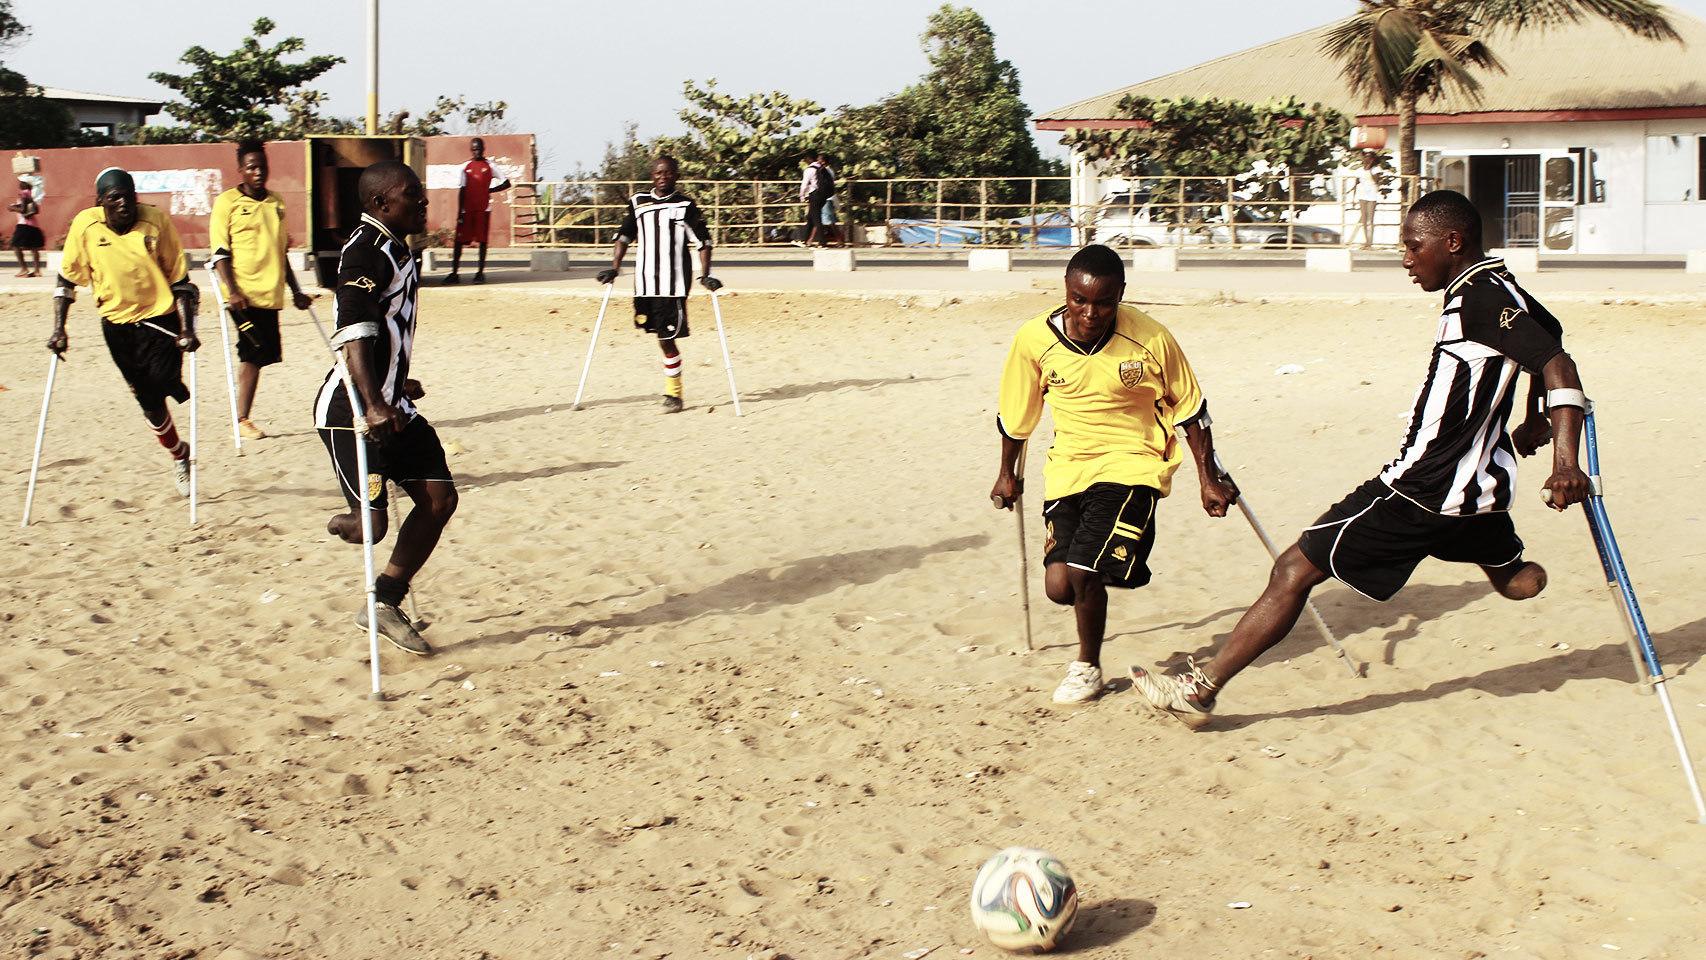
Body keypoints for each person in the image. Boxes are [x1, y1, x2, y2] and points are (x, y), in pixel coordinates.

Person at [1129, 189, 1592, 729]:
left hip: (1419, 487)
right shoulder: (1499, 285)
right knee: (1517, 580)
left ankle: (1201, 689)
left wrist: (1565, 462)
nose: (1405, 258)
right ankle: (1514, 572)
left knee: (1293, 569)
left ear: (1452, 241)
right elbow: (1549, 338)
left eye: (1413, 245)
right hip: (1478, 492)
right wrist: (1535, 415)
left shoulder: (1482, 299)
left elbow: (1558, 364)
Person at [991, 243, 1237, 704]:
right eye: (1079, 300)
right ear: (1065, 292)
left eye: (1104, 302)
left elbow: (1191, 408)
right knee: (1060, 586)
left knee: (1083, 569)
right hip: (1069, 468)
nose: (1090, 312)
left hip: (1134, 462)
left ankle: (1087, 668)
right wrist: (1006, 473)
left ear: (1121, 295)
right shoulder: (1033, 340)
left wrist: (1207, 477)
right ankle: (1109, 566)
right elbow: (1016, 414)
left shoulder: (1151, 338)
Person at [313, 161, 458, 657]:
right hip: (352, 410)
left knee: (440, 500)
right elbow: (354, 328)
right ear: (380, 204)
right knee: (371, 527)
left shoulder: (398, 248)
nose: (423, 202)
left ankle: (384, 604)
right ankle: (341, 521)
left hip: (392, 402)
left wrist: (397, 379)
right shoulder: (365, 252)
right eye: (411, 195)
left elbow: (388, 329)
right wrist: (373, 401)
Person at [48, 167, 200, 496]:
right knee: (149, 403)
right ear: (100, 201)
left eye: (129, 196)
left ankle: (172, 383)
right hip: (116, 326)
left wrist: (188, 327)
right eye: (114, 197)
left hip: (160, 318)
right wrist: (59, 328)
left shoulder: (155, 222)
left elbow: (181, 281)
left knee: (160, 382)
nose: (123, 203)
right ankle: (179, 454)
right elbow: (66, 281)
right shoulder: (85, 226)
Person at [595, 155, 721, 413]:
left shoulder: (685, 205)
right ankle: (671, 388)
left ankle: (673, 395)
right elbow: (623, 236)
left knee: (667, 337)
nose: (663, 177)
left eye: (668, 173)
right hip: (644, 284)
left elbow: (703, 241)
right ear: (652, 175)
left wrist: (704, 274)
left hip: (672, 284)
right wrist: (615, 268)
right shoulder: (638, 202)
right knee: (657, 335)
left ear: (676, 175)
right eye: (658, 173)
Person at [209, 139, 314, 440]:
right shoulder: (227, 203)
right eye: (251, 167)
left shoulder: (276, 203)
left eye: (262, 167)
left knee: (262, 354)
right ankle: (241, 419)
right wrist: (232, 290)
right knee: (252, 352)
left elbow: (280, 252)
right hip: (242, 294)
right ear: (240, 170)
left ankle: (243, 416)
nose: (258, 172)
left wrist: (295, 291)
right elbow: (219, 252)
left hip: (270, 294)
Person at [444, 137, 510, 285]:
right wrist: (460, 212)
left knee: (482, 241)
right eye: (474, 149)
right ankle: (454, 273)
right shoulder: (465, 167)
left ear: (483, 149)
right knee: (459, 241)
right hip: (467, 210)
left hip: (483, 209)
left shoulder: (490, 166)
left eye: (478, 149)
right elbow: (462, 189)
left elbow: (506, 183)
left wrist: (490, 190)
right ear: (470, 150)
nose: (476, 151)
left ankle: (480, 273)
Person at [798, 152, 835, 247]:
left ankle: (822, 243)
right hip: (824, 196)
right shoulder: (825, 169)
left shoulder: (809, 170)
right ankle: (804, 240)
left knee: (816, 219)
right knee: (810, 218)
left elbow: (804, 184)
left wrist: (802, 196)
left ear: (808, 160)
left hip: (814, 195)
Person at [1348, 152, 1383, 249]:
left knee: (1370, 220)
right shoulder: (1360, 170)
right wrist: (1353, 198)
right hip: (1362, 195)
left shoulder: (1376, 169)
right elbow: (1356, 183)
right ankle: (1366, 241)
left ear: (1372, 159)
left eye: (1369, 157)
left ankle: (1370, 242)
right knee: (1364, 219)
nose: (1366, 159)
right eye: (1365, 157)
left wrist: (1370, 168)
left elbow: (1376, 181)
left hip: (1372, 195)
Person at [10, 179, 44, 277]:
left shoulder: (23, 194)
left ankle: (24, 269)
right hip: (34, 225)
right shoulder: (32, 195)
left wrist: (12, 208)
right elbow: (36, 210)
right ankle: (37, 270)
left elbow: (23, 209)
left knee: (15, 246)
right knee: (34, 248)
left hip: (24, 224)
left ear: (24, 184)